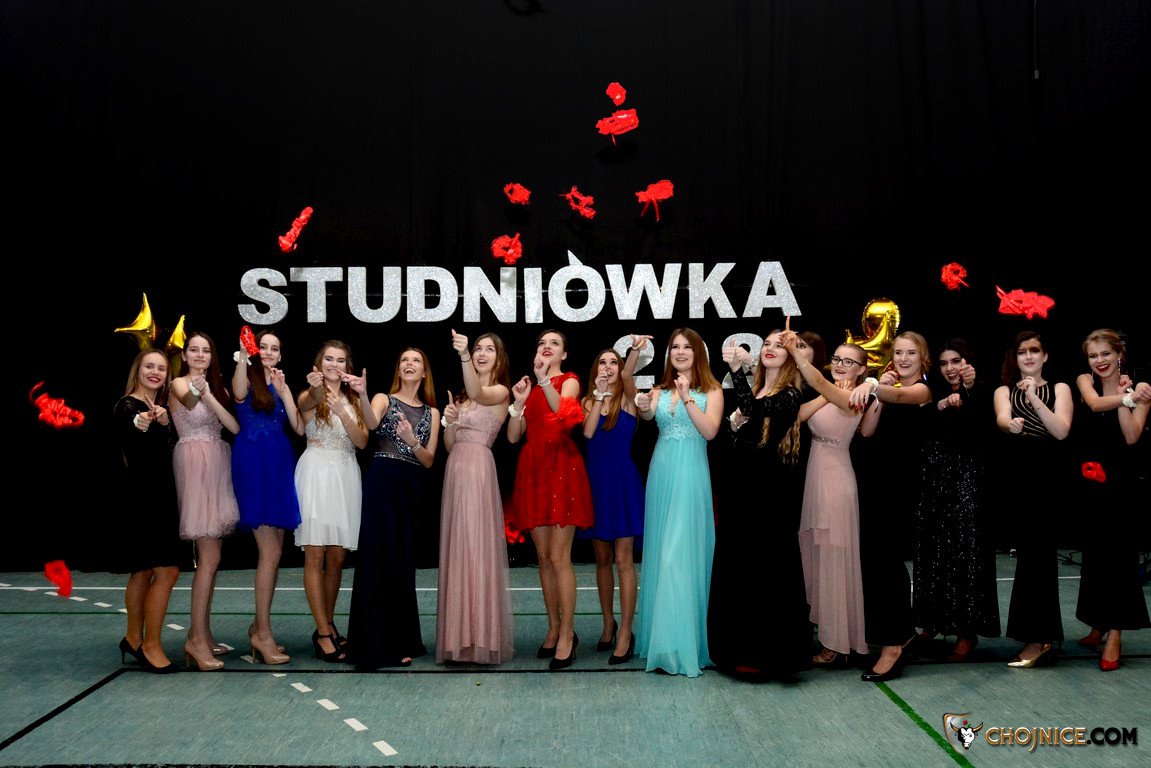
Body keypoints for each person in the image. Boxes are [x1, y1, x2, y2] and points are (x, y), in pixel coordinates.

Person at [708, 331, 808, 678]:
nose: (770, 348)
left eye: (780, 345)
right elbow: (736, 441)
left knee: (768, 570)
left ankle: (770, 655)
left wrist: (738, 371)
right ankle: (738, 650)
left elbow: (753, 410)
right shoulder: (755, 391)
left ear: (791, 356)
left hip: (770, 496)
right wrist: (733, 428)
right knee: (741, 569)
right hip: (741, 492)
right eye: (767, 344)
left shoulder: (790, 394)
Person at [780, 330, 874, 673]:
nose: (840, 365)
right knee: (817, 556)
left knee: (834, 560)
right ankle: (827, 636)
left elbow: (819, 384)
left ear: (861, 369)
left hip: (835, 480)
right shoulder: (833, 391)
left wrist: (795, 351)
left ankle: (836, 644)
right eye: (837, 359)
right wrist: (824, 392)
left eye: (849, 361)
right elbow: (800, 415)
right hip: (816, 478)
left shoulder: (856, 395)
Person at [634, 327, 724, 677]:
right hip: (662, 472)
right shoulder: (660, 389)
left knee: (679, 554)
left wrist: (687, 397)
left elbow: (710, 431)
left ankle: (684, 645)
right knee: (662, 553)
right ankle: (664, 642)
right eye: (675, 347)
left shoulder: (712, 390)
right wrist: (644, 407)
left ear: (698, 353)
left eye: (687, 347)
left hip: (690, 474)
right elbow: (647, 416)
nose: (681, 352)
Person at [346, 348, 440, 669]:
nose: (410, 364)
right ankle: (372, 645)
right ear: (399, 370)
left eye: (416, 361)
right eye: (404, 361)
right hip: (382, 482)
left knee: (401, 562)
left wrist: (412, 441)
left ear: (424, 372)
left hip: (409, 488)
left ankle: (401, 640)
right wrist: (362, 394)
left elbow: (428, 460)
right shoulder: (383, 398)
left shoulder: (433, 413)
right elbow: (371, 424)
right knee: (376, 559)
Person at [507, 329, 594, 670]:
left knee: (559, 557)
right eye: (542, 343)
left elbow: (566, 415)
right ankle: (554, 627)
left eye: (554, 343)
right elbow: (514, 437)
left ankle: (568, 634)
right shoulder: (530, 387)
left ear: (564, 354)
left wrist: (544, 381)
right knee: (543, 558)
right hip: (534, 471)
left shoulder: (569, 381)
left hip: (562, 468)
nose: (546, 347)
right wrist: (518, 404)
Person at [848, 331, 933, 681]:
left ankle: (893, 644)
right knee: (875, 561)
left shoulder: (923, 390)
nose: (903, 359)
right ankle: (897, 632)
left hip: (903, 487)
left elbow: (900, 396)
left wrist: (872, 386)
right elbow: (867, 431)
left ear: (922, 357)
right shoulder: (886, 388)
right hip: (876, 485)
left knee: (887, 562)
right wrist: (878, 390)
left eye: (911, 353)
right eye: (898, 352)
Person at [911, 339, 1000, 662]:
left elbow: (984, 430)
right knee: (931, 552)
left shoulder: (984, 391)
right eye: (944, 362)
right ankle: (931, 622)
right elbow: (919, 430)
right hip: (932, 482)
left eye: (956, 361)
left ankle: (967, 631)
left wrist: (970, 392)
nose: (950, 368)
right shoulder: (930, 391)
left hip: (966, 482)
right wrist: (940, 406)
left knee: (966, 554)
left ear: (969, 361)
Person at [993, 330, 1073, 668]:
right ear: (1015, 357)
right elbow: (1001, 419)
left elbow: (1061, 430)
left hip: (1047, 480)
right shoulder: (1004, 390)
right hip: (1019, 481)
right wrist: (1009, 423)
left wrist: (1034, 399)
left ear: (1045, 356)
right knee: (1027, 560)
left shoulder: (1060, 389)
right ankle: (1035, 635)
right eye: (1022, 351)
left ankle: (1040, 638)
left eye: (1034, 350)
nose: (1028, 356)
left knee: (1040, 560)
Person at [1072, 329, 1150, 671]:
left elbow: (1131, 436)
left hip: (1121, 486)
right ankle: (1098, 623)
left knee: (1118, 558)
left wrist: (1127, 397)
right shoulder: (1084, 381)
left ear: (1120, 354)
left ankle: (1115, 633)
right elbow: (1093, 404)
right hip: (1090, 482)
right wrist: (1125, 398)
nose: (1099, 361)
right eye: (1093, 355)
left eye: (1105, 353)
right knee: (1094, 556)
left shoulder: (1138, 391)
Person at [436, 330, 515, 665]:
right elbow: (449, 445)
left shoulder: (500, 391)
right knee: (459, 548)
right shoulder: (462, 398)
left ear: (499, 358)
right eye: (478, 349)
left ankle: (481, 638)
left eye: (488, 350)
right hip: (456, 469)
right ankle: (459, 638)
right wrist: (450, 423)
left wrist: (464, 354)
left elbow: (477, 392)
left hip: (479, 468)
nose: (482, 354)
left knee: (476, 547)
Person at [169, 331, 241, 671]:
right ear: (184, 355)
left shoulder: (217, 388)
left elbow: (233, 427)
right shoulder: (178, 383)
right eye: (194, 350)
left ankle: (203, 633)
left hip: (216, 461)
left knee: (213, 556)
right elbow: (188, 402)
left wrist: (212, 393)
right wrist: (202, 389)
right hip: (194, 462)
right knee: (208, 557)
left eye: (206, 350)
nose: (200, 355)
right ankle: (195, 640)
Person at [231, 329, 303, 665]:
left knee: (275, 553)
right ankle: (262, 633)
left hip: (279, 463)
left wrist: (286, 392)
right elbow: (238, 393)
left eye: (275, 348)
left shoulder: (280, 382)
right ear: (254, 350)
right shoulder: (246, 376)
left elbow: (298, 427)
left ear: (281, 354)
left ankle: (259, 627)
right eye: (264, 347)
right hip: (254, 463)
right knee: (269, 553)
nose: (270, 352)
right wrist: (244, 358)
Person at [294, 340, 369, 663]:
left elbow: (362, 441)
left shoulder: (354, 398)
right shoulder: (310, 393)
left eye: (340, 360)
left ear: (347, 366)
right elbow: (307, 401)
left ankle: (328, 623)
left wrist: (343, 411)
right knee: (315, 553)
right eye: (329, 359)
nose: (334, 364)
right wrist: (316, 389)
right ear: (319, 363)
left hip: (346, 476)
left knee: (337, 557)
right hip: (316, 474)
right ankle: (324, 633)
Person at [113, 349, 184, 674]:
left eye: (161, 368)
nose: (155, 372)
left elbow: (168, 448)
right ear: (137, 370)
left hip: (162, 496)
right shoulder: (128, 406)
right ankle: (151, 645)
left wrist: (165, 422)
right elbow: (132, 429)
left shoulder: (162, 408)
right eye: (149, 366)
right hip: (143, 500)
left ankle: (132, 638)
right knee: (167, 571)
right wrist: (142, 423)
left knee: (143, 570)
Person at [580, 337, 646, 665]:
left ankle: (626, 632)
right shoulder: (588, 401)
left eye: (613, 363)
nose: (608, 367)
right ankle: (608, 624)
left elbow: (629, 375)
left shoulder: (629, 398)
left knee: (624, 560)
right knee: (602, 559)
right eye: (603, 362)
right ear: (595, 370)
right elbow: (588, 433)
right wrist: (599, 395)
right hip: (596, 486)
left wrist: (633, 353)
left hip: (623, 484)